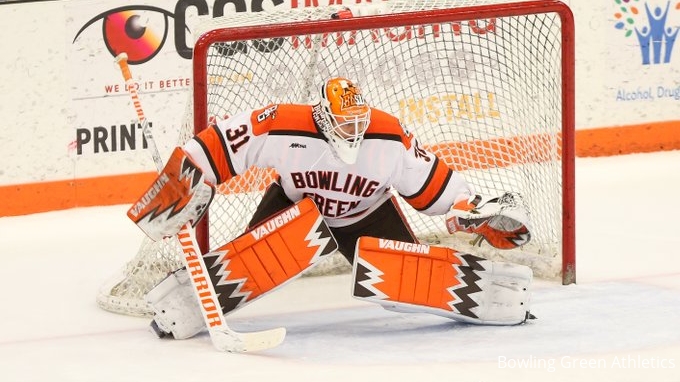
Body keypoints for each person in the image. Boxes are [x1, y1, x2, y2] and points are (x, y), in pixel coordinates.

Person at [129, 77, 534, 340]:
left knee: (401, 282)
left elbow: (431, 185)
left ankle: (497, 293)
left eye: (359, 121)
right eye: (345, 124)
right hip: (297, 206)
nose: (354, 131)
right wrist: (181, 183)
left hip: (366, 214)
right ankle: (177, 308)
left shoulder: (389, 135)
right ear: (322, 117)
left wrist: (465, 211)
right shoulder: (283, 124)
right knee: (258, 262)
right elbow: (218, 144)